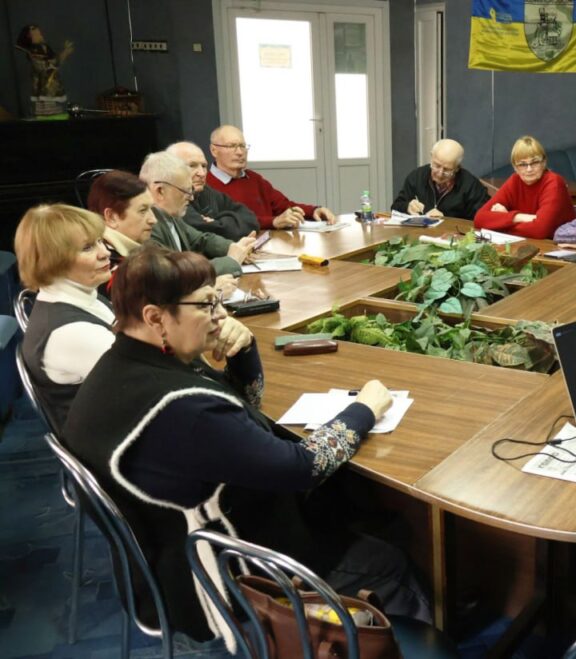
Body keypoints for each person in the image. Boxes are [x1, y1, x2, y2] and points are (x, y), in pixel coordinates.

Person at [63, 246, 431, 646]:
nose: (221, 316)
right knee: (388, 562)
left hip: (165, 555)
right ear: (156, 317)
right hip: (225, 576)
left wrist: (244, 353)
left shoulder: (130, 362)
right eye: (206, 305)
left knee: (358, 507)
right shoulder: (180, 406)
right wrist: (365, 409)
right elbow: (301, 467)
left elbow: (237, 418)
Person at [14, 205, 114, 429]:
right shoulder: (72, 332)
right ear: (52, 260)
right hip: (114, 441)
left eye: (100, 240)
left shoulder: (84, 297)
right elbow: (152, 382)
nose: (105, 252)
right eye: (88, 247)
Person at [139, 151, 255, 280]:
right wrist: (231, 260)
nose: (192, 197)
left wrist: (234, 247)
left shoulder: (170, 216)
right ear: (160, 191)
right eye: (186, 191)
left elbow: (201, 240)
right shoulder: (148, 226)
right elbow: (176, 275)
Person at [205, 124, 336, 229]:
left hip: (272, 244)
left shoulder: (254, 178)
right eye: (232, 146)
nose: (239, 152)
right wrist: (273, 221)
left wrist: (313, 211)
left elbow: (283, 205)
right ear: (214, 150)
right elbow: (230, 223)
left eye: (242, 146)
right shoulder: (205, 185)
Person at [473, 136, 575, 239]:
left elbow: (540, 230)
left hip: (557, 246)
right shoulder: (515, 181)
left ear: (544, 162)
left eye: (535, 162)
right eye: (522, 164)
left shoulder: (554, 183)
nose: (529, 169)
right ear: (515, 167)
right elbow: (479, 219)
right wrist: (520, 217)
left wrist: (502, 221)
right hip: (527, 243)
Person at [166, 141, 259, 241]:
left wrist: (217, 221)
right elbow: (202, 231)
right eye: (192, 166)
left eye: (204, 166)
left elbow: (251, 220)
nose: (201, 173)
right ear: (171, 169)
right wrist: (227, 221)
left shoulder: (205, 191)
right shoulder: (171, 199)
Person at [87, 170, 158, 289]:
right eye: (142, 211)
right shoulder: (105, 269)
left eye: (151, 209)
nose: (153, 220)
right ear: (111, 217)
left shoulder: (141, 253)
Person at [390, 139, 491, 220]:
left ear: (457, 168)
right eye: (436, 165)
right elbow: (395, 207)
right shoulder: (417, 177)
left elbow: (482, 218)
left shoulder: (471, 185)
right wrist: (407, 207)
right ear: (431, 158)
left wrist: (446, 219)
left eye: (447, 170)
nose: (440, 173)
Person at [14, 24, 73, 117]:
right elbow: (43, 67)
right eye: (33, 29)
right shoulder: (33, 51)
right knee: (47, 116)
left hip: (54, 88)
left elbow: (55, 62)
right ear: (29, 35)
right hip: (44, 89)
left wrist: (65, 53)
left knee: (57, 114)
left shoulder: (45, 48)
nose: (38, 30)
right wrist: (63, 54)